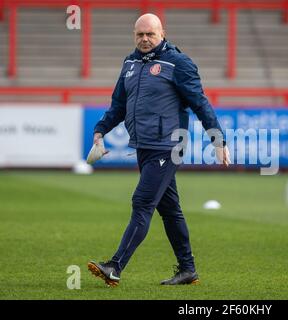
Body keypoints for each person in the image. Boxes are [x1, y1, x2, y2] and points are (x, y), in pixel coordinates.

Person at [87, 13, 230, 287]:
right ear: (134, 35)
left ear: (162, 33)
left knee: (142, 203)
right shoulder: (129, 63)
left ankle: (115, 267)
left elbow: (200, 103)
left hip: (168, 145)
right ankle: (188, 270)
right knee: (170, 210)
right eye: (139, 34)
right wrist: (101, 128)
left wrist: (218, 140)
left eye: (150, 34)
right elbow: (118, 104)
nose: (144, 39)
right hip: (144, 146)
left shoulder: (179, 63)